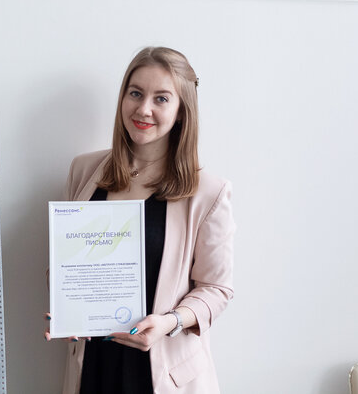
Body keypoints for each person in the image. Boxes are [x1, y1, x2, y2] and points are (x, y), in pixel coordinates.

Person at [52, 46, 235, 394]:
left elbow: (217, 288)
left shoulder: (209, 192)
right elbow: (65, 263)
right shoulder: (83, 170)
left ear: (181, 111)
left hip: (161, 369)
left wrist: (170, 322)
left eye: (161, 98)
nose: (143, 109)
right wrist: (64, 310)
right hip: (93, 364)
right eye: (135, 93)